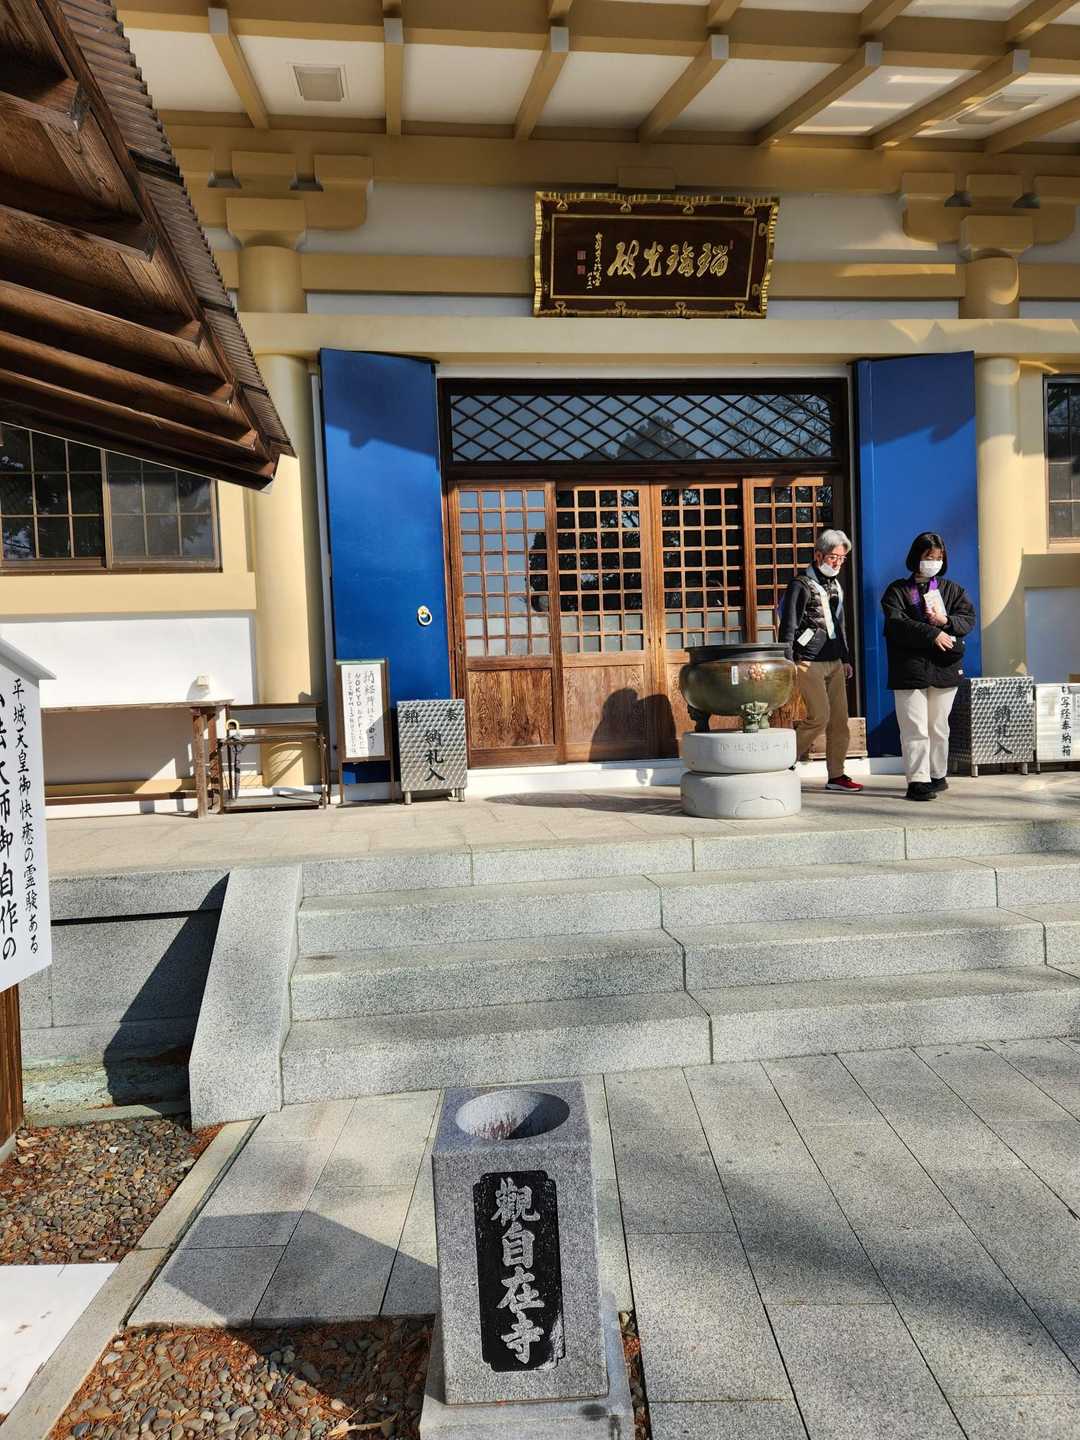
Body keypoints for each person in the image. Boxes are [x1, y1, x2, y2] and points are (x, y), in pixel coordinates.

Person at [881, 531, 976, 802]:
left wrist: (946, 622)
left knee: (938, 726)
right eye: (928, 557)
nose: (933, 562)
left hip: (944, 668)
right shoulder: (897, 590)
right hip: (909, 670)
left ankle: (937, 774)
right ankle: (917, 780)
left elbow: (967, 620)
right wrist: (931, 633)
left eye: (938, 557)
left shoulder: (953, 590)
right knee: (915, 727)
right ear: (916, 557)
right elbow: (895, 624)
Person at [778, 528, 863, 793]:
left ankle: (836, 775)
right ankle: (781, 762)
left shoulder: (835, 585)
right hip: (808, 661)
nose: (837, 563)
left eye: (841, 558)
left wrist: (845, 658)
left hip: (834, 660)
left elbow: (840, 624)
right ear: (818, 555)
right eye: (833, 557)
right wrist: (788, 660)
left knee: (839, 721)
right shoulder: (800, 584)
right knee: (819, 716)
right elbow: (788, 625)